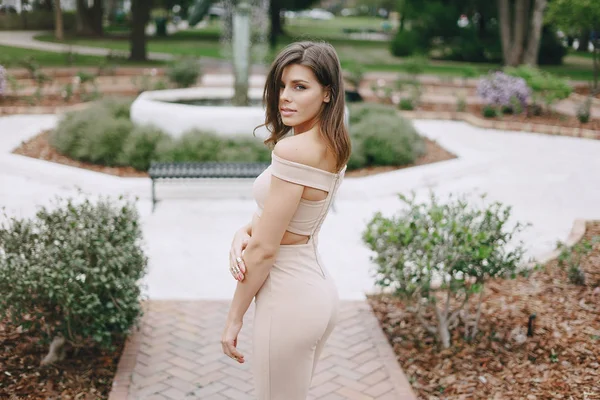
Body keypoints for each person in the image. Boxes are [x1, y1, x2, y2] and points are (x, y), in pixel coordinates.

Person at [221, 41, 351, 399]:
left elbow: (264, 250)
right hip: (316, 291)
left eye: (299, 87)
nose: (284, 97)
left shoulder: (293, 150)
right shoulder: (332, 143)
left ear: (327, 93)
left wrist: (235, 317)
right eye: (281, 85)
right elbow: (291, 221)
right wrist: (243, 230)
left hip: (287, 299)